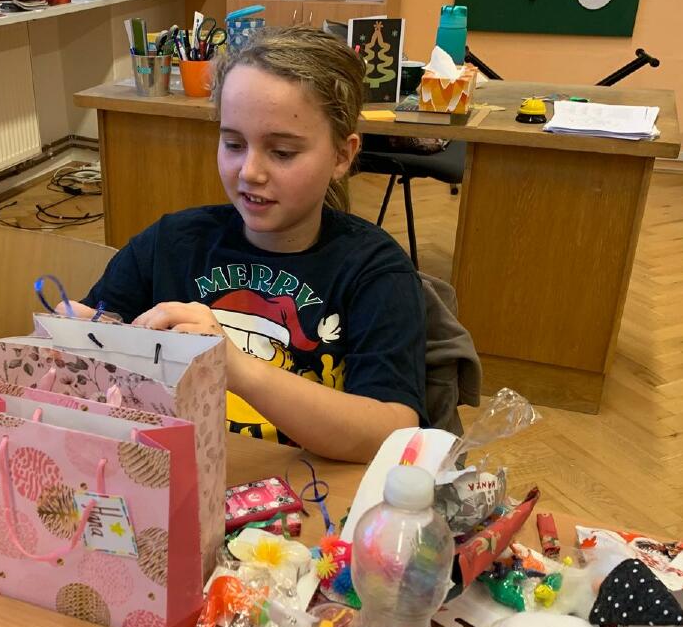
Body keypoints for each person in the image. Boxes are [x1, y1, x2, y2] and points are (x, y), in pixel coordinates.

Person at [78, 26, 427, 463]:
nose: (249, 172)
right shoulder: (169, 243)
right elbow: (97, 340)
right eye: (233, 144)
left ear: (342, 155)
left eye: (282, 152)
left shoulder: (375, 271)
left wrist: (238, 369)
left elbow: (393, 433)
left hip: (309, 489)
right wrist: (73, 339)